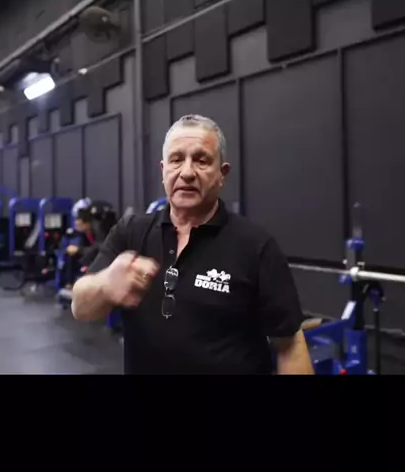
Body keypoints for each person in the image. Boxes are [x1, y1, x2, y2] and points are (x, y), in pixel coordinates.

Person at [72, 114, 314, 375]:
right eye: (176, 160)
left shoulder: (256, 246)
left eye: (201, 160)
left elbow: (290, 345)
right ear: (163, 171)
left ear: (222, 174)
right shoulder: (130, 233)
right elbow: (80, 309)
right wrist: (105, 285)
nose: (187, 172)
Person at [61, 207, 99, 289]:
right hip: (90, 256)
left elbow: (98, 249)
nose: (76, 223)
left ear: (87, 223)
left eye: (79, 221)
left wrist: (79, 249)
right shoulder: (83, 234)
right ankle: (69, 283)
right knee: (71, 254)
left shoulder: (99, 232)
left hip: (102, 257)